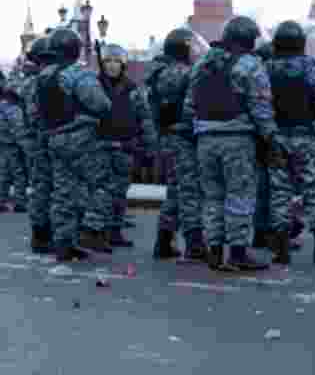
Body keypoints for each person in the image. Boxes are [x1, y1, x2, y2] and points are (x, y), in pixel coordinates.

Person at [183, 16, 279, 272]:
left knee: (212, 197)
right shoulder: (250, 65)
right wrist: (271, 138)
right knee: (240, 195)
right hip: (237, 139)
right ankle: (237, 253)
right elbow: (261, 108)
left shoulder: (203, 64)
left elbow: (189, 105)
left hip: (204, 139)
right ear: (249, 39)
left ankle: (214, 251)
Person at [264, 20, 315, 266]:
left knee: (279, 193)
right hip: (305, 137)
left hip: (276, 137)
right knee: (313, 190)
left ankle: (281, 249)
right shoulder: (310, 68)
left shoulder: (267, 69)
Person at [36, 28, 112, 262]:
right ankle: (91, 229)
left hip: (54, 138)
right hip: (80, 136)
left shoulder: (44, 76)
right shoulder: (78, 74)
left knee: (63, 191)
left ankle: (63, 243)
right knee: (102, 181)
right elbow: (100, 104)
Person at [147, 28, 207, 261]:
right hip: (182, 137)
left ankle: (164, 241)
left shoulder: (160, 71)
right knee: (189, 190)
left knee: (175, 190)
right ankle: (194, 243)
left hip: (169, 136)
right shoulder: (181, 72)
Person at [96, 43, 157, 248]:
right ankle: (98, 231)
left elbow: (144, 118)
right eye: (108, 61)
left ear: (122, 65)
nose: (112, 66)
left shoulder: (132, 89)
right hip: (100, 147)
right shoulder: (94, 86)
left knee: (120, 192)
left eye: (116, 61)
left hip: (124, 147)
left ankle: (115, 230)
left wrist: (149, 147)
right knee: (101, 192)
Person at [22, 35, 56, 252]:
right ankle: (41, 236)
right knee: (44, 188)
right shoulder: (39, 82)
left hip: (38, 140)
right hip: (43, 140)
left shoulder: (32, 81)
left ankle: (41, 234)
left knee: (42, 188)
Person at [0, 75, 28, 212]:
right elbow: (18, 128)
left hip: (3, 145)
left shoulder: (2, 106)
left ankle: (2, 200)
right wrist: (25, 146)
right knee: (18, 174)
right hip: (12, 145)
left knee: (3, 173)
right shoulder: (11, 108)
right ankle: (20, 202)